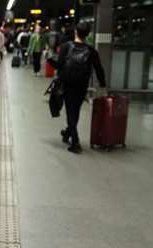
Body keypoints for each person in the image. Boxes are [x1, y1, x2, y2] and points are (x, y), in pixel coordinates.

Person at [48, 22, 107, 154]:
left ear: (75, 31)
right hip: (81, 86)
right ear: (88, 34)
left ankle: (75, 142)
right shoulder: (91, 51)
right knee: (75, 110)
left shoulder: (66, 47)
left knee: (71, 112)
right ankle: (67, 133)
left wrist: (50, 61)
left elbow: (59, 65)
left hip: (67, 84)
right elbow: (99, 69)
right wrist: (102, 83)